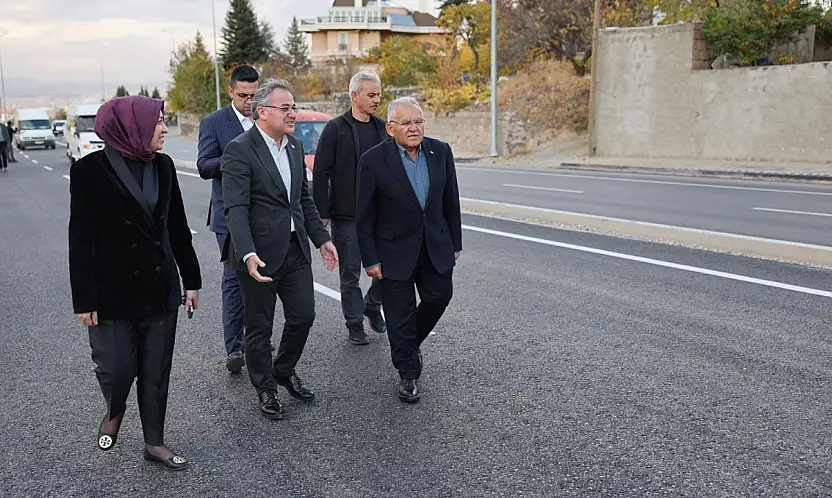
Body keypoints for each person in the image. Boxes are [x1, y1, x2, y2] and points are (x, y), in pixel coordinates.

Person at [68, 95, 202, 470]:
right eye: (158, 122)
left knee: (156, 369)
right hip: (110, 291)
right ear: (132, 127)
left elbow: (177, 226)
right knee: (116, 368)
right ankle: (115, 406)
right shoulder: (88, 171)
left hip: (159, 287)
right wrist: (84, 299)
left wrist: (191, 280)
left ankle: (154, 443)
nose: (163, 128)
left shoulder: (163, 166)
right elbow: (79, 239)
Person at [220, 79, 339, 420]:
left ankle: (283, 369)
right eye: (285, 108)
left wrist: (321, 239)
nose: (293, 114)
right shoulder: (239, 149)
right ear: (262, 112)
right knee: (258, 326)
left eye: (294, 107)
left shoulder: (294, 147)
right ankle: (266, 387)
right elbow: (236, 209)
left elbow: (302, 199)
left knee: (304, 315)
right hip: (258, 255)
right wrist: (246, 253)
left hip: (294, 249)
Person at [355, 97, 462, 403]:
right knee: (399, 315)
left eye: (418, 121)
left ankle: (407, 345)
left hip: (435, 246)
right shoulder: (374, 160)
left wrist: (455, 242)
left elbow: (450, 200)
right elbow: (364, 215)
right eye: (406, 123)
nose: (414, 128)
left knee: (439, 297)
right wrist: (370, 258)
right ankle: (408, 374)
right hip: (392, 251)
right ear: (390, 128)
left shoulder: (440, 151)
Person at [313, 72, 387, 346]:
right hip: (347, 214)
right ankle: (355, 323)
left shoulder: (383, 129)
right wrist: (322, 213)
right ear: (354, 95)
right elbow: (321, 172)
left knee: (389, 267)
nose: (377, 99)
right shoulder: (336, 128)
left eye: (378, 94)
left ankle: (372, 303)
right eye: (371, 94)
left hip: (381, 213)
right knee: (351, 273)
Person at [197, 64, 261, 374]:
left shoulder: (266, 118)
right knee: (235, 279)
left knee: (262, 278)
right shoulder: (214, 123)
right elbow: (205, 166)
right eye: (244, 96)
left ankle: (257, 339)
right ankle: (235, 346)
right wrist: (237, 157)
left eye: (254, 95)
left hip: (264, 215)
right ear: (231, 92)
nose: (250, 102)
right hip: (228, 216)